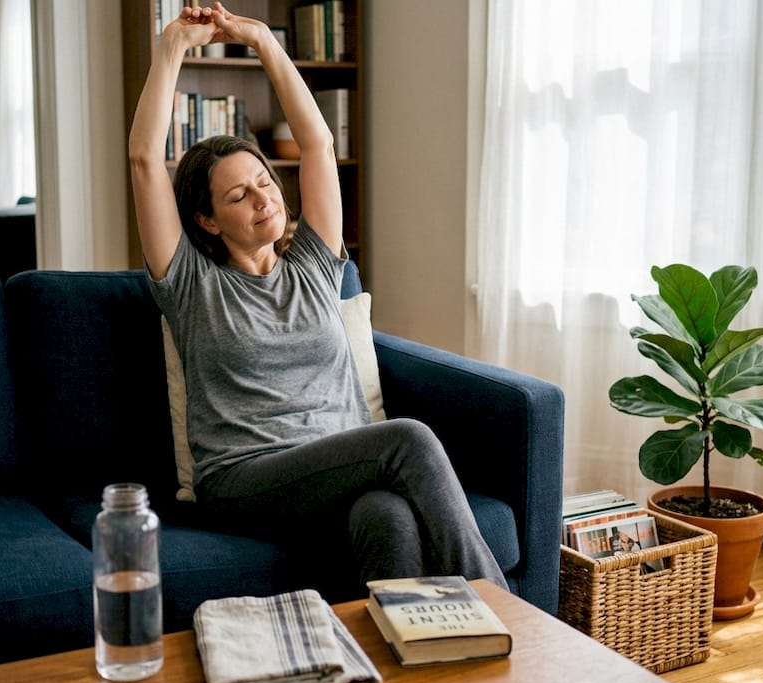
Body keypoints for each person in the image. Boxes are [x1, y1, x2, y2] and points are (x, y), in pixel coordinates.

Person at [128, 3, 506, 590]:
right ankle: (508, 615)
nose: (264, 199)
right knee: (410, 438)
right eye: (238, 197)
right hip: (242, 477)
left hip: (337, 468)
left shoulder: (314, 265)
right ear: (205, 220)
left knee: (388, 519)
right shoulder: (191, 285)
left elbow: (318, 145)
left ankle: (414, 669)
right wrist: (173, 47)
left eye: (263, 182)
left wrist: (259, 39)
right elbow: (145, 159)